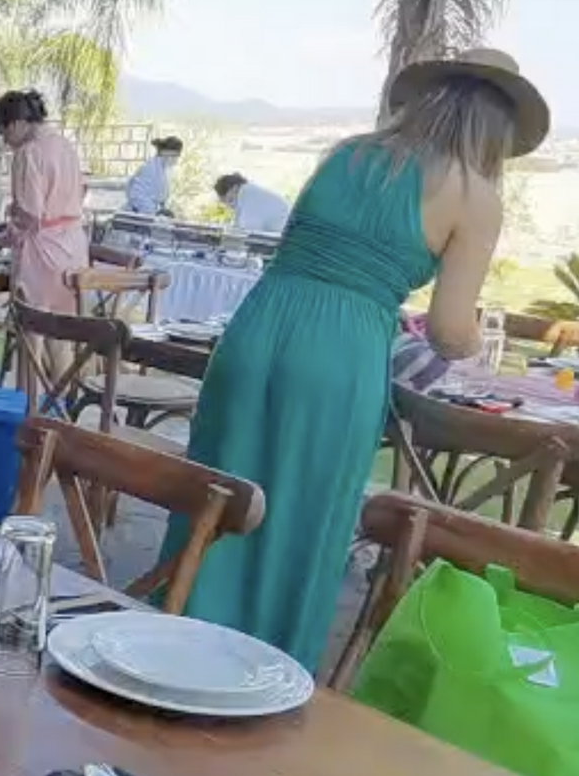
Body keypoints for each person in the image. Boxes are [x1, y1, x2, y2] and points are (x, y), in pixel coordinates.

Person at [165, 48, 541, 668]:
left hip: (259, 325)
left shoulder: (347, 155)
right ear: (499, 129)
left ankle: (171, 645)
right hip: (340, 353)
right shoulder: (474, 195)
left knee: (216, 491)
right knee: (302, 514)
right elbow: (450, 330)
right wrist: (478, 343)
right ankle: (260, 672)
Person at [0, 90, 89, 318]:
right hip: (74, 249)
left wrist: (10, 225)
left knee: (33, 329)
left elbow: (31, 216)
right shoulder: (65, 146)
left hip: (42, 253)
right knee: (64, 331)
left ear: (16, 124)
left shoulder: (28, 152)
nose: (6, 142)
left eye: (4, 133)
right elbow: (82, 190)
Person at [214, 172, 292, 234]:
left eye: (227, 200)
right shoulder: (247, 193)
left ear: (233, 188)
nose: (228, 205)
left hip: (286, 239)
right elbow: (237, 225)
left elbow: (248, 228)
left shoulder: (248, 193)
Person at [125, 136, 183, 215]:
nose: (176, 160)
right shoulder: (151, 169)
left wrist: (161, 209)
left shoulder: (160, 167)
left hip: (145, 210)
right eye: (176, 156)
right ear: (168, 154)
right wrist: (157, 212)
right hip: (139, 212)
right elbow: (136, 194)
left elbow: (160, 196)